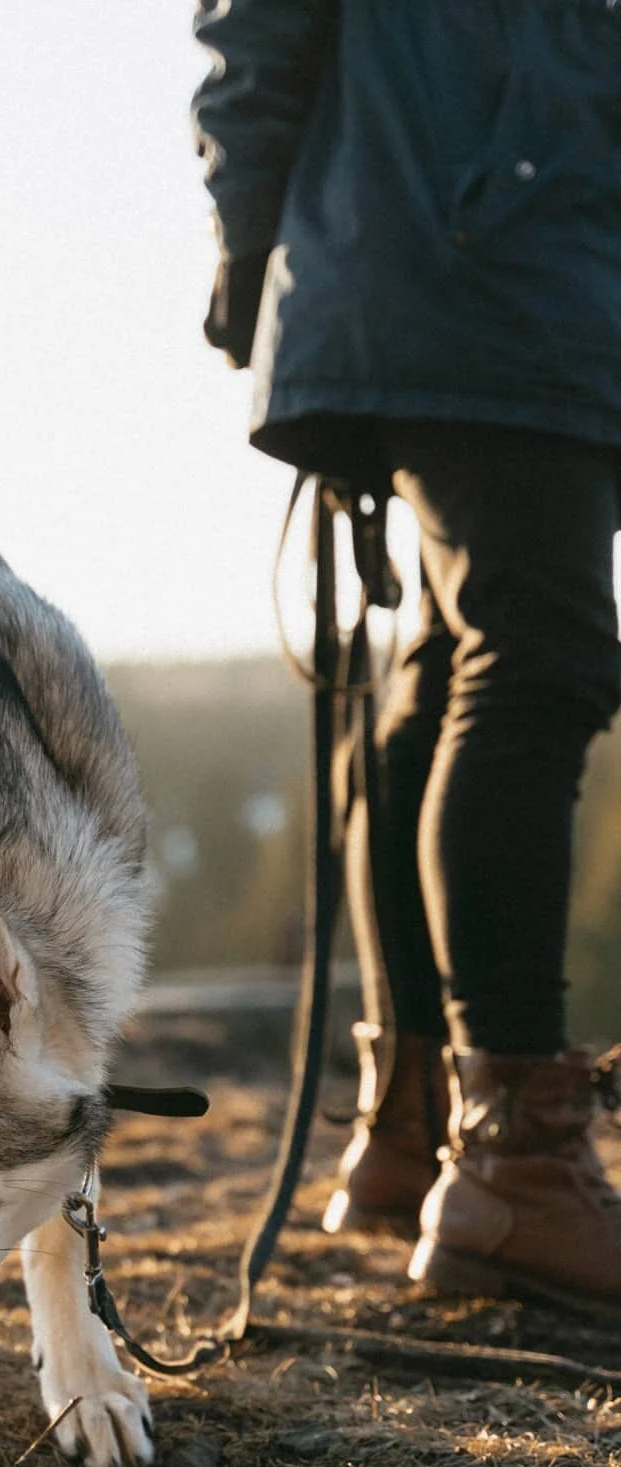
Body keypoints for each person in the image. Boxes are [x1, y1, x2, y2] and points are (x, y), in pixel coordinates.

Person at [191, 1, 621, 1316]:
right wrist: (251, 240)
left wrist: (262, 244)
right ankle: (514, 1170)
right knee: (532, 665)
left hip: (432, 252)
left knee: (446, 669)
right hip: (495, 258)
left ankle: (415, 1124)